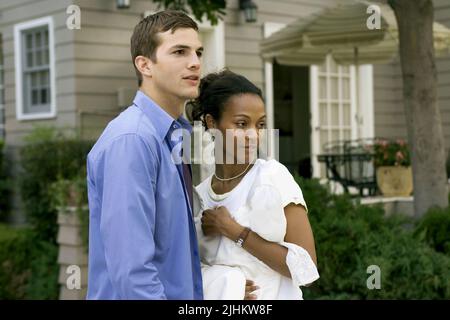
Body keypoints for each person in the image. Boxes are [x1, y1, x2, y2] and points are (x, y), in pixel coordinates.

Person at [85, 10, 205, 299]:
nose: (195, 63)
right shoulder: (133, 140)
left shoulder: (176, 134)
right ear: (145, 65)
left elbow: (173, 252)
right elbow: (133, 272)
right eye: (179, 51)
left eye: (198, 52)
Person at [191, 70, 320, 300]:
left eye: (260, 125)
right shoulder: (199, 197)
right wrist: (225, 286)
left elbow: (306, 269)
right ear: (212, 123)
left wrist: (234, 231)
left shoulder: (272, 177)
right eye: (241, 124)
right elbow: (186, 275)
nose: (254, 135)